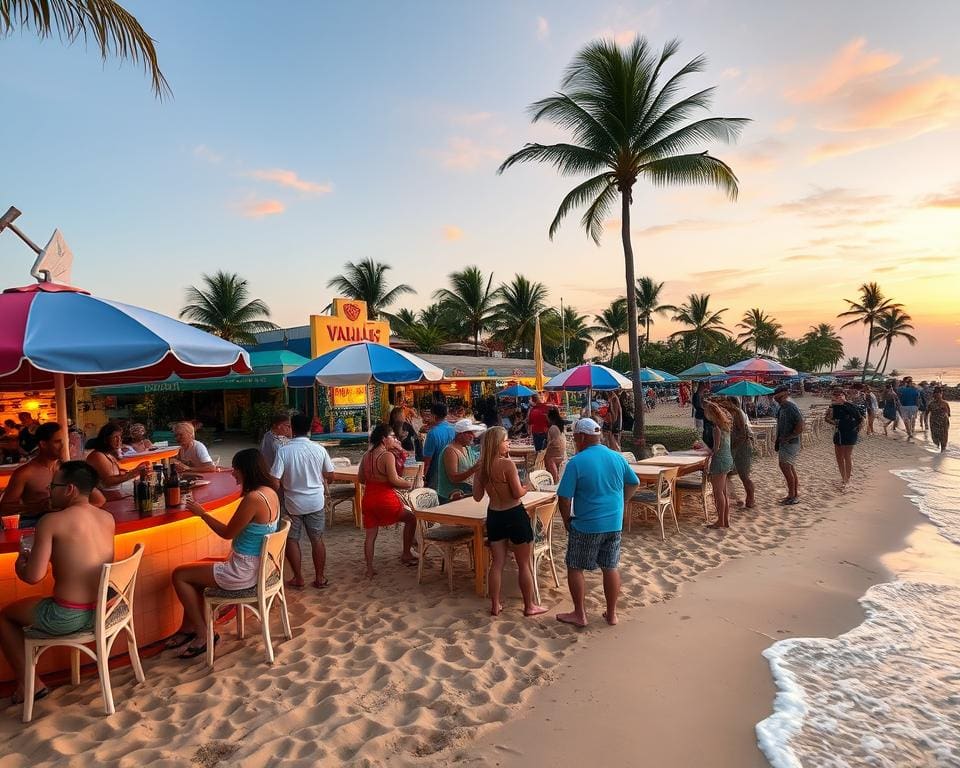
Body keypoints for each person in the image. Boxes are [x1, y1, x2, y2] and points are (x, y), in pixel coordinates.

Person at [0, 462, 114, 703]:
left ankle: (31, 685)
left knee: (4, 617)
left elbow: (33, 576)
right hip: (104, 610)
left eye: (53, 486)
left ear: (69, 489)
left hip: (67, 617)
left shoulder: (51, 522)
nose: (48, 491)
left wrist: (21, 560)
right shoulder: (107, 517)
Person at [168, 449, 280, 658]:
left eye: (235, 470)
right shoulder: (270, 491)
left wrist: (202, 514)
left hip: (244, 571)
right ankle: (189, 627)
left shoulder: (253, 498)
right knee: (196, 570)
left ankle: (203, 634)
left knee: (180, 575)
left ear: (246, 471)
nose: (233, 474)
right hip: (260, 566)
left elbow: (227, 533)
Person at [555, 418, 639, 628]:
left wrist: (567, 521)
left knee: (575, 566)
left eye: (574, 437)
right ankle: (611, 614)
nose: (574, 441)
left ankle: (579, 614)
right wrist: (622, 502)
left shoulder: (577, 462)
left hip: (587, 524)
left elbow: (564, 497)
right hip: (613, 522)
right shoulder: (616, 457)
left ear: (582, 437)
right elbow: (634, 482)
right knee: (610, 567)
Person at [473, 426, 546, 618]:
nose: (509, 443)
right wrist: (527, 487)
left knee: (497, 563)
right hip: (514, 512)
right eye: (506, 440)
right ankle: (529, 606)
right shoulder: (507, 464)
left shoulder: (482, 466)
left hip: (495, 514)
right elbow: (516, 493)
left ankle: (495, 604)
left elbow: (477, 496)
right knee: (524, 564)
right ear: (497, 443)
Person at [271, 413, 334, 590]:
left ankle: (298, 578)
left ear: (292, 428)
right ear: (309, 429)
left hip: (293, 503)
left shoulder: (283, 451)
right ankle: (320, 578)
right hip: (315, 502)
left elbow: (274, 479)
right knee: (317, 539)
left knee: (292, 540)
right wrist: (322, 483)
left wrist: (282, 489)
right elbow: (330, 475)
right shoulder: (319, 449)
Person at [0, 424, 105, 527]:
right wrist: (37, 507)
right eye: (57, 442)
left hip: (68, 524)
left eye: (65, 441)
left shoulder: (68, 469)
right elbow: (4, 508)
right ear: (43, 444)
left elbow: (99, 500)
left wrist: (72, 507)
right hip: (39, 525)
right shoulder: (25, 473)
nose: (63, 446)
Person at [358, 424, 416, 577]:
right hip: (385, 499)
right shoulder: (387, 456)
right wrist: (411, 483)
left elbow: (361, 479)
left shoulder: (366, 455)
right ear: (384, 439)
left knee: (370, 536)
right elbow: (394, 479)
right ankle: (406, 553)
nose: (395, 439)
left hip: (368, 498)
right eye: (392, 436)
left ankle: (369, 568)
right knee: (411, 519)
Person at [85, 422, 150, 490]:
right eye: (115, 437)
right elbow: (108, 481)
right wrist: (133, 473)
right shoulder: (98, 456)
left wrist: (138, 470)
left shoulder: (109, 455)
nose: (119, 440)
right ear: (106, 439)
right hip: (106, 498)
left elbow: (117, 475)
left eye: (120, 437)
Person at [716, 398, 754, 509]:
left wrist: (731, 447)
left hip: (742, 447)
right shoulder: (726, 414)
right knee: (726, 474)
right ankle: (734, 498)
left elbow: (742, 433)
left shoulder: (737, 413)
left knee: (744, 475)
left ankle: (750, 499)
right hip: (733, 448)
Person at [703, 401, 734, 528]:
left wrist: (705, 450)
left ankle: (720, 520)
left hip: (720, 460)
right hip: (728, 459)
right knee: (724, 492)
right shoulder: (725, 427)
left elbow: (715, 449)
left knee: (718, 492)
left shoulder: (716, 429)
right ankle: (725, 520)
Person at [438, 419, 484, 503]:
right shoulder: (450, 451)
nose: (472, 436)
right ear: (460, 434)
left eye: (472, 433)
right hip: (450, 497)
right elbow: (453, 478)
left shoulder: (467, 448)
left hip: (465, 494)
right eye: (469, 433)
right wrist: (473, 469)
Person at [825, 388, 863, 486]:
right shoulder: (833, 406)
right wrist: (835, 422)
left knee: (847, 455)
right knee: (839, 457)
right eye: (836, 395)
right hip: (839, 432)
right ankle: (844, 477)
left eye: (840, 395)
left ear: (844, 395)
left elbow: (858, 416)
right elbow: (827, 418)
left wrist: (845, 403)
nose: (838, 397)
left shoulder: (850, 405)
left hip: (850, 432)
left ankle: (847, 479)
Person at [773, 385, 804, 505]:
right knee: (789, 468)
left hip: (790, 443)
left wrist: (788, 437)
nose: (776, 398)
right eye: (775, 396)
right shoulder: (782, 407)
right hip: (786, 442)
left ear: (785, 393)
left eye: (778, 396)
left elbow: (800, 424)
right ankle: (793, 494)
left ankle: (792, 495)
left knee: (785, 467)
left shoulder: (789, 406)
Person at [422, 402, 456, 492]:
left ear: (434, 416)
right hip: (452, 471)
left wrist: (422, 478)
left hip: (436, 475)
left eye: (430, 415)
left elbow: (427, 461)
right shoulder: (453, 429)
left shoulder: (432, 433)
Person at [544, 408, 567, 483]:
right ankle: (555, 478)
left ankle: (555, 479)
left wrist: (546, 449)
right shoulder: (558, 426)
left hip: (556, 450)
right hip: (561, 449)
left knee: (549, 460)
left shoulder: (553, 427)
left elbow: (555, 441)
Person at [927, 387, 951, 453]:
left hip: (943, 422)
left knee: (943, 435)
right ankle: (940, 447)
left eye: (939, 394)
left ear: (941, 394)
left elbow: (948, 413)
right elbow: (927, 412)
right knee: (936, 436)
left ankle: (943, 449)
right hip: (934, 421)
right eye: (936, 394)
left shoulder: (945, 403)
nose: (937, 396)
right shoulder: (931, 403)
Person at [897, 376, 921, 441]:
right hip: (913, 406)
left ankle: (909, 432)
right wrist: (917, 406)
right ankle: (912, 429)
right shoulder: (915, 389)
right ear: (911, 383)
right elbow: (918, 398)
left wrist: (900, 404)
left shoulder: (901, 389)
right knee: (912, 419)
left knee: (906, 419)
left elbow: (898, 397)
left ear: (906, 382)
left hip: (904, 406)